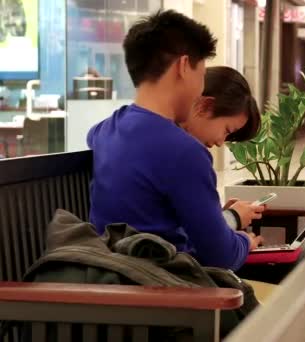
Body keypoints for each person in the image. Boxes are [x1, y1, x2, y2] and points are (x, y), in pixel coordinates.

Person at [182, 65, 305, 342]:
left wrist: (225, 217)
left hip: (208, 265)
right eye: (226, 131)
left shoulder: (145, 140)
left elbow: (194, 227)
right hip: (213, 272)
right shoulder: (185, 154)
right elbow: (217, 250)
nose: (221, 143)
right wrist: (238, 230)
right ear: (203, 106)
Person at [87, 10, 265, 272]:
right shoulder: (184, 151)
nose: (202, 88)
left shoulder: (104, 131)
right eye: (202, 74)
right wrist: (244, 240)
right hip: (170, 291)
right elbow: (222, 257)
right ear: (183, 67)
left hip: (114, 278)